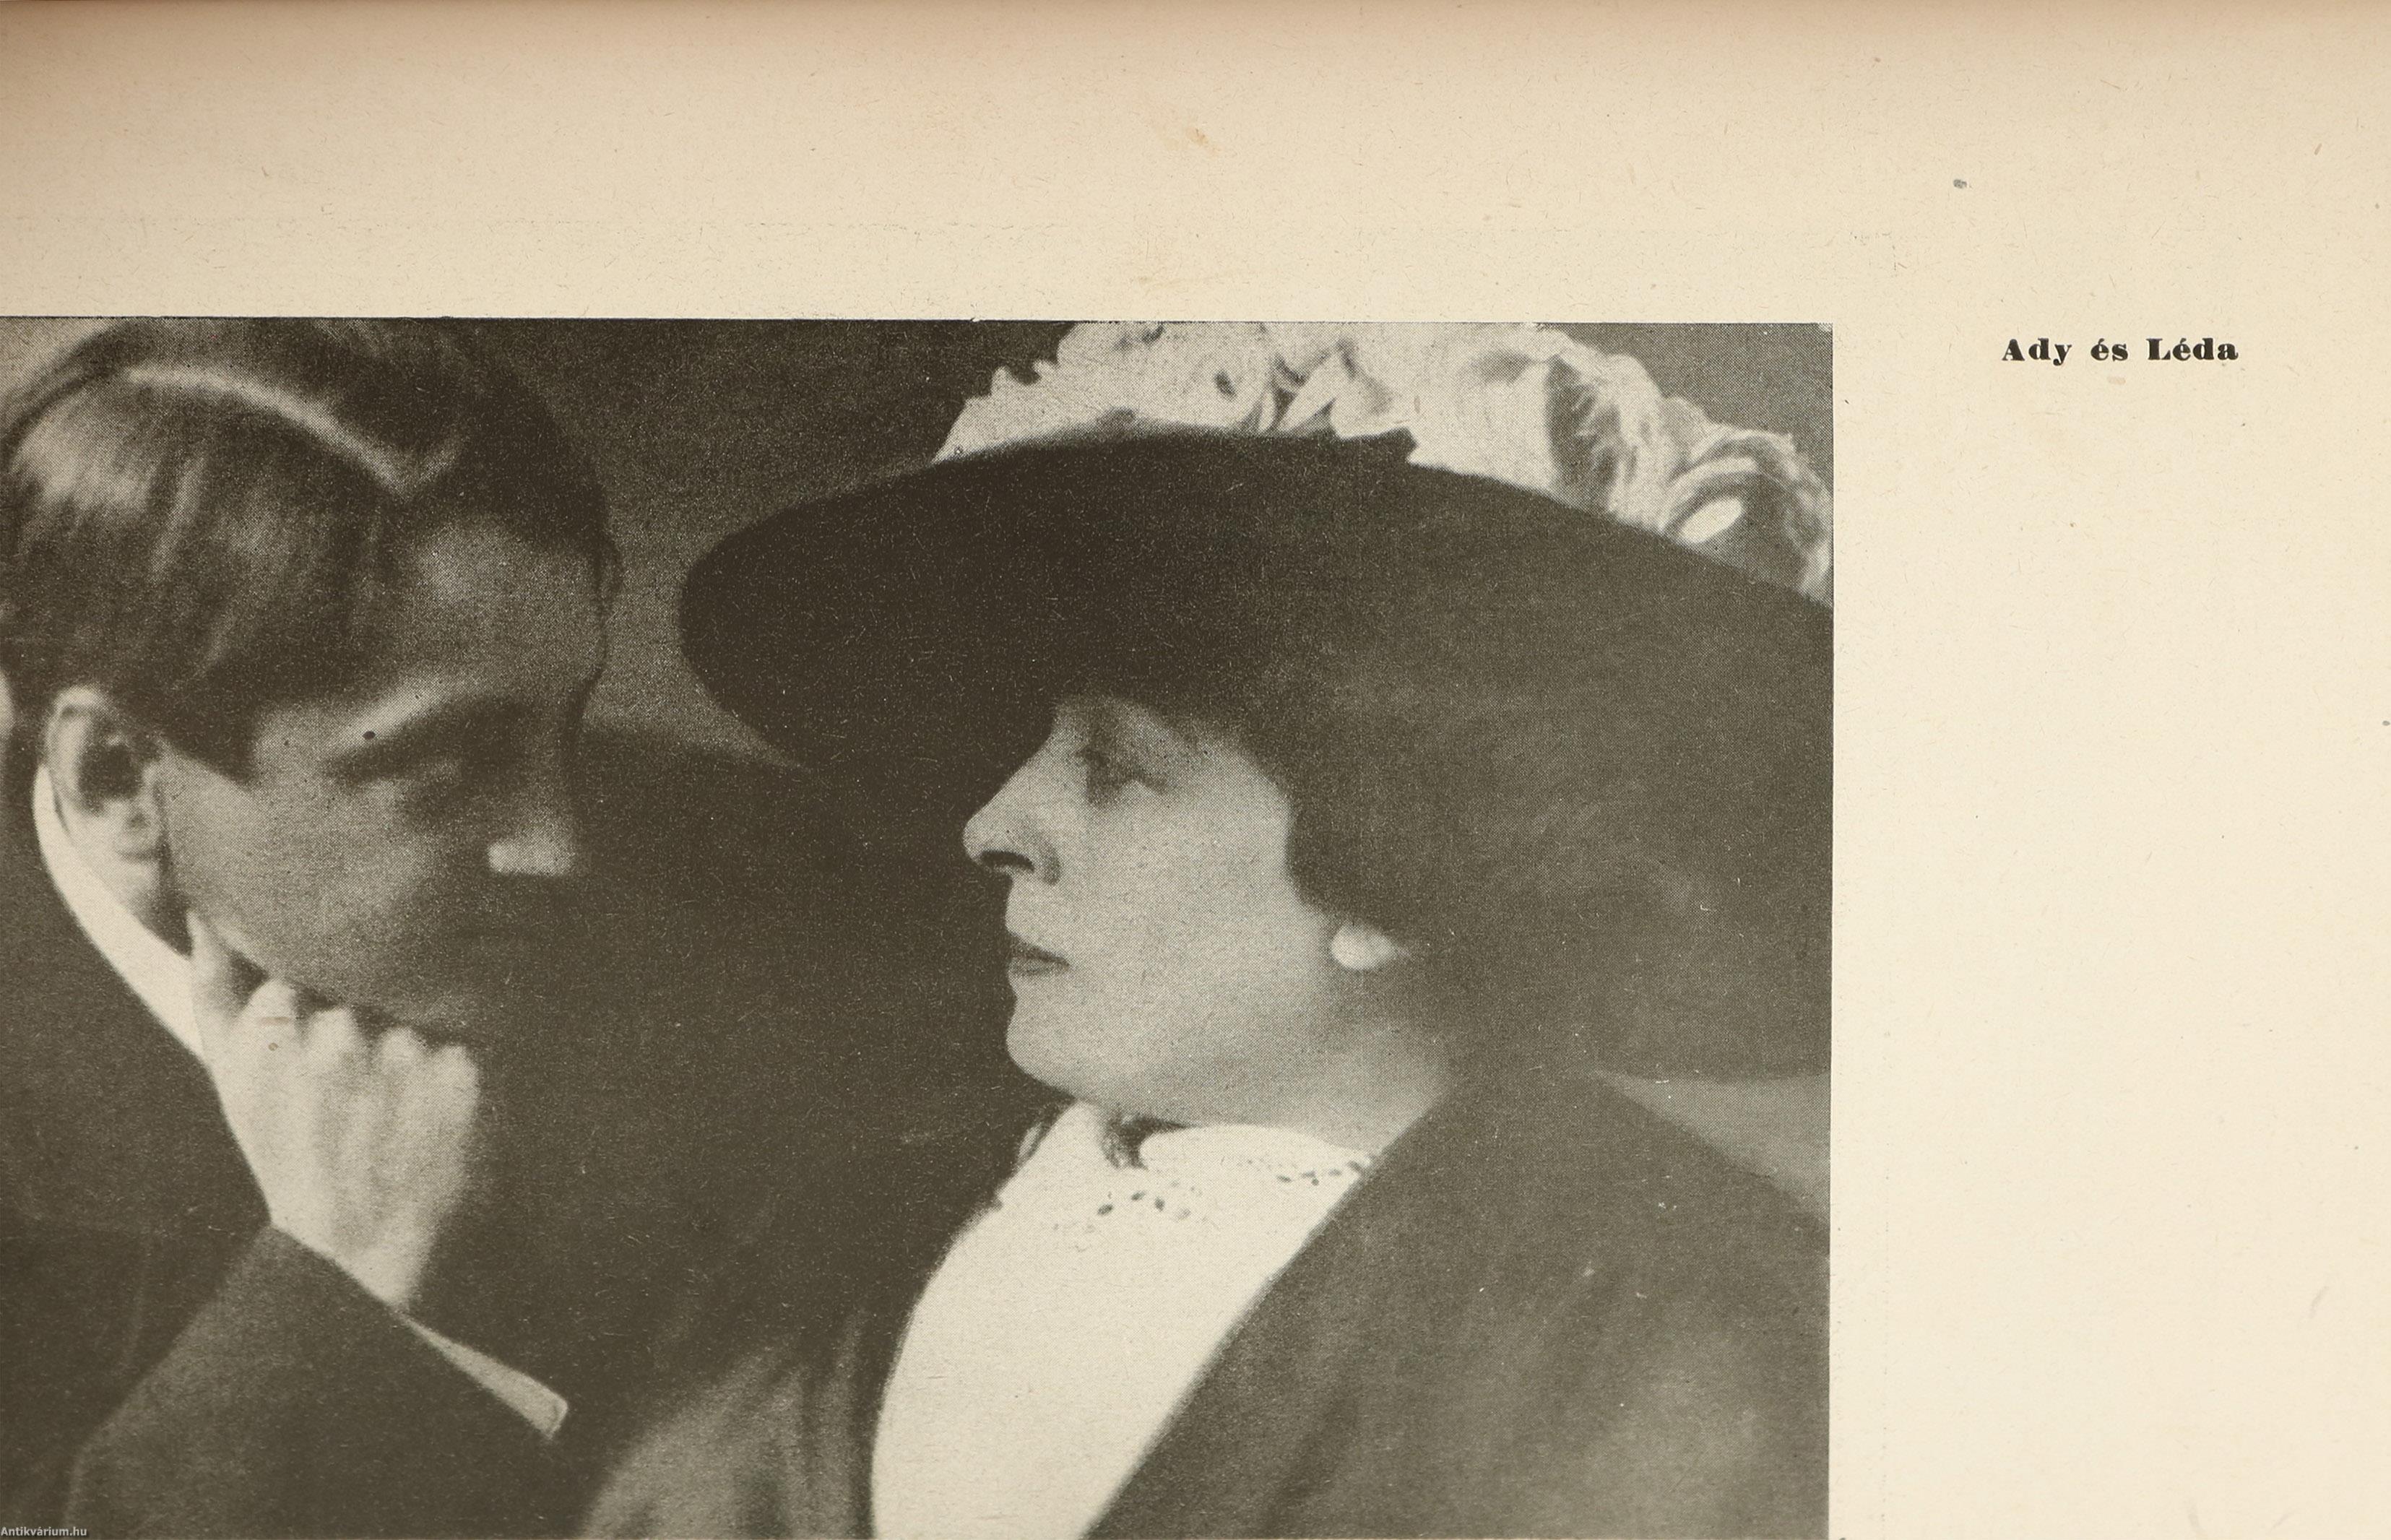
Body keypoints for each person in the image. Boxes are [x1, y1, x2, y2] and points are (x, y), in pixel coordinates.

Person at [589, 420, 1832, 1539]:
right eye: (1032, 750)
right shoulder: (828, 1228)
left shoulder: (1679, 1331)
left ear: (1395, 881)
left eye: (1117, 768)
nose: (993, 826)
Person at [0, 318, 628, 1531]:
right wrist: (336, 1291)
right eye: (448, 763)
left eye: (571, 725)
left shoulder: (776, 880)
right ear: (117, 777)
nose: (561, 848)